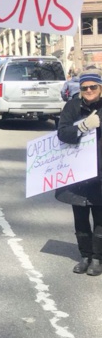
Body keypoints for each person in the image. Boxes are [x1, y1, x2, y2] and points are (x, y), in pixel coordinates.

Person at [56, 70, 102, 276]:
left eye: (93, 87)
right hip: (77, 172)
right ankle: (85, 256)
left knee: (100, 218)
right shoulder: (72, 106)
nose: (89, 91)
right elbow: (62, 132)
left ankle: (98, 259)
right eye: (85, 88)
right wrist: (82, 126)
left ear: (101, 88)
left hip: (100, 171)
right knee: (80, 218)